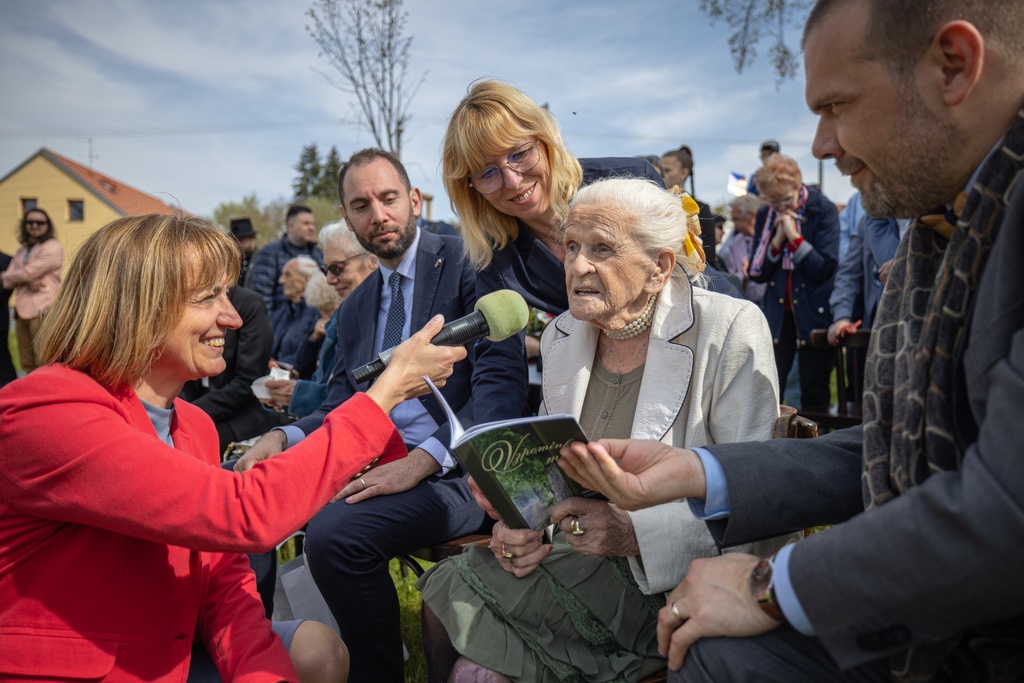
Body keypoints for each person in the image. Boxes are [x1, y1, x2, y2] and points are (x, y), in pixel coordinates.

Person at [556, 1, 1024, 680]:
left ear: (954, 66)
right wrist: (700, 472)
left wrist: (772, 584)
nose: (822, 145)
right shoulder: (941, 228)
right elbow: (893, 445)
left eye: (836, 105)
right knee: (713, 650)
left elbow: (1006, 508)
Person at [0, 212, 466, 682]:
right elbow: (244, 513)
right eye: (208, 297)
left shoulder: (195, 426)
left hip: (170, 644)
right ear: (137, 306)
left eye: (228, 293)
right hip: (82, 666)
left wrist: (263, 675)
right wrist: (382, 394)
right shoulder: (48, 410)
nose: (234, 316)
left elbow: (224, 581)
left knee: (316, 652)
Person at [417, 178, 790, 683]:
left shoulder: (730, 328)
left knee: (461, 614)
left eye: (602, 249)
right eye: (571, 246)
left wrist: (630, 534)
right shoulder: (561, 336)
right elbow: (560, 478)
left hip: (671, 575)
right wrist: (521, 527)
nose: (577, 266)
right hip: (576, 555)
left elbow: (757, 505)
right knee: (449, 594)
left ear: (659, 267)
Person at [237, 148, 485, 683]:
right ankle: (249, 660)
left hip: (461, 470)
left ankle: (376, 673)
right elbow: (335, 406)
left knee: (336, 534)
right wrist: (281, 436)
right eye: (361, 205)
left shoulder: (467, 264)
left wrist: (421, 461)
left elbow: (498, 388)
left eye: (388, 198)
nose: (378, 215)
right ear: (348, 219)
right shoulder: (354, 307)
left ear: (414, 200)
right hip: (374, 462)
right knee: (252, 506)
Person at [442, 80, 665, 427]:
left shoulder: (631, 181)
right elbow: (499, 364)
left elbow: (693, 290)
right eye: (488, 172)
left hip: (677, 370)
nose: (513, 181)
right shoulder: (496, 254)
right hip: (597, 391)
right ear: (471, 189)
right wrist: (496, 447)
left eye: (519, 153)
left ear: (545, 141)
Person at [748, 152, 839, 411]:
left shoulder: (823, 209)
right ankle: (772, 448)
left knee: (814, 390)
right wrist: (776, 241)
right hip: (778, 315)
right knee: (770, 389)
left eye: (786, 200)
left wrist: (793, 236)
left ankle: (813, 447)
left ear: (799, 185)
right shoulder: (767, 214)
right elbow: (757, 272)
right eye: (774, 203)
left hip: (813, 311)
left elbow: (823, 268)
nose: (782, 209)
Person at [262, 221, 379, 419]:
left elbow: (358, 398)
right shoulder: (344, 315)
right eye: (327, 270)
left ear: (372, 261)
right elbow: (328, 384)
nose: (330, 280)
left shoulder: (385, 315)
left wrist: (296, 393)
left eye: (337, 268)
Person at [180, 284, 285, 454]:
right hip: (199, 403)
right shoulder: (188, 300)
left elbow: (248, 381)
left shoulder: (249, 304)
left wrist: (189, 413)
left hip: (244, 412)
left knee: (192, 445)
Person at [1, 207, 63, 373]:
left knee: (43, 359)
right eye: (30, 222)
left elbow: (24, 274)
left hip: (43, 309)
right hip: (21, 310)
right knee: (26, 361)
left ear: (47, 225)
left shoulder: (53, 247)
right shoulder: (22, 250)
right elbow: (13, 277)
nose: (34, 226)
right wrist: (25, 278)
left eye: (40, 222)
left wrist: (23, 277)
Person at [250, 204, 323, 315]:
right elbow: (262, 295)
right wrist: (271, 328)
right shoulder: (271, 252)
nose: (311, 228)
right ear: (290, 225)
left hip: (314, 320)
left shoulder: (317, 253)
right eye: (306, 223)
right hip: (282, 323)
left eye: (313, 224)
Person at [659, 145, 720, 266]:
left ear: (684, 173)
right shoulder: (653, 206)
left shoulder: (700, 210)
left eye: (667, 171)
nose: (662, 176)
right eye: (660, 171)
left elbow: (708, 260)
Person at [269, 255, 321, 370]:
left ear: (307, 279)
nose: (281, 281)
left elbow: (306, 360)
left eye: (288, 275)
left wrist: (279, 365)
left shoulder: (319, 313)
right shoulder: (283, 311)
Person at [717, 194, 768, 304]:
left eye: (737, 219)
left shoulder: (769, 237)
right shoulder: (735, 244)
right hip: (749, 303)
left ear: (752, 216)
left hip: (772, 302)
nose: (734, 224)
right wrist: (744, 276)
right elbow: (733, 277)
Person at [0, 249, 16, 386]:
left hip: (0, 317)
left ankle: (8, 384)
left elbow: (6, 290)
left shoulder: (6, 260)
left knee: (2, 354)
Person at [231, 217, 261, 287]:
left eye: (242, 240)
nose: (238, 244)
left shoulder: (262, 258)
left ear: (253, 239)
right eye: (235, 240)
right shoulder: (231, 260)